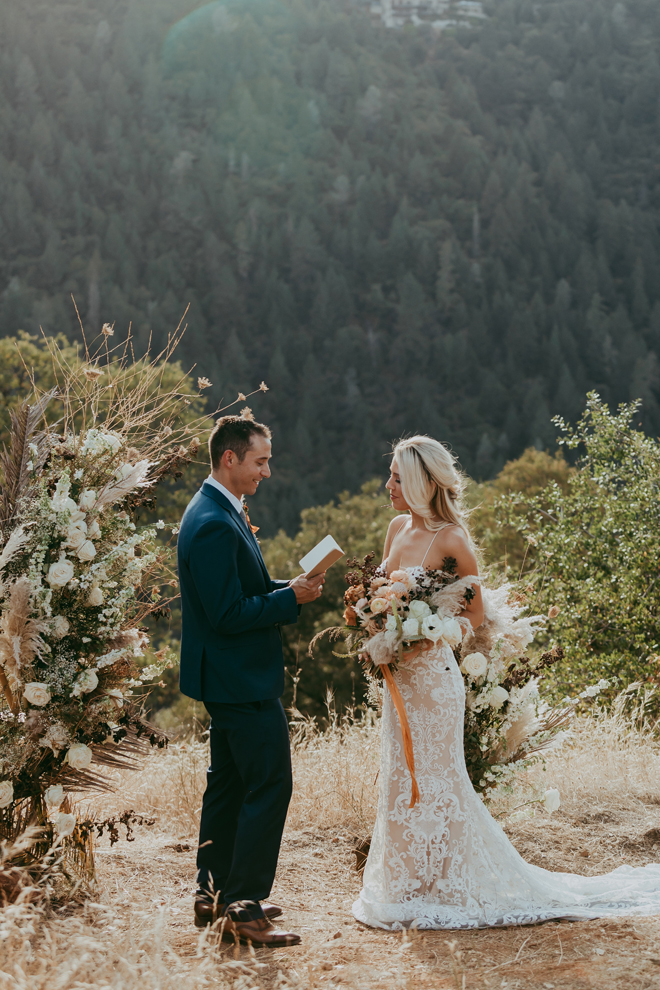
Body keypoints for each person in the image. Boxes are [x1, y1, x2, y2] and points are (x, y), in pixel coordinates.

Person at [353, 434, 660, 930]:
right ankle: (406, 883)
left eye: (396, 477)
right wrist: (370, 616)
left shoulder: (451, 539)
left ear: (423, 482)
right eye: (389, 475)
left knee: (439, 781)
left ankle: (448, 885)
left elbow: (475, 615)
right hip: (400, 685)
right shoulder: (396, 529)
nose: (387, 484)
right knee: (400, 778)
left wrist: (430, 634)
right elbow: (381, 591)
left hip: (434, 682)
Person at [177, 411, 325, 946]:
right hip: (239, 679)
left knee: (229, 783)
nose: (266, 471)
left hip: (227, 676)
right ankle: (243, 907)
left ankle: (212, 893)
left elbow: (239, 589)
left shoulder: (217, 507)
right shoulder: (214, 523)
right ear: (229, 458)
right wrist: (288, 601)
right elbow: (227, 614)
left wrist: (290, 589)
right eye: (260, 461)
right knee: (269, 783)